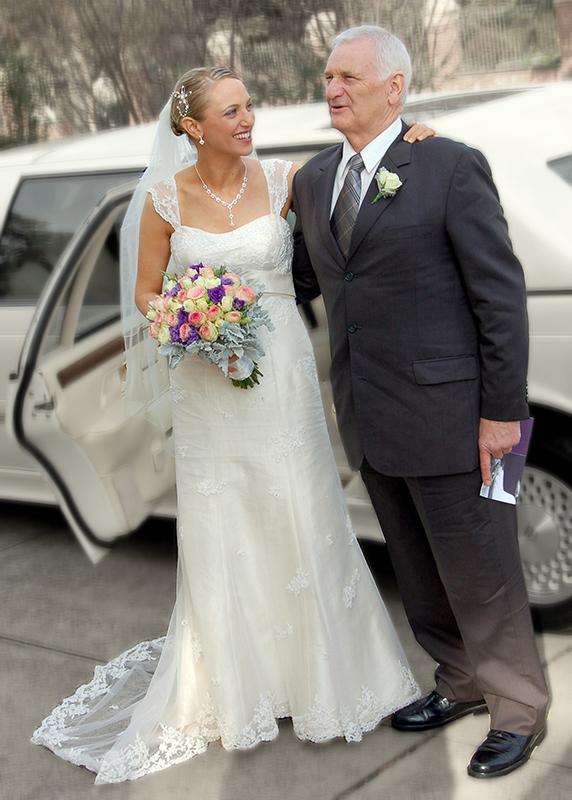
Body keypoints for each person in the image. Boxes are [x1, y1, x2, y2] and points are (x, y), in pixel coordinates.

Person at [29, 66, 435, 785]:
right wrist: (189, 325)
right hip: (206, 383)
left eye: (250, 105)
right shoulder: (161, 200)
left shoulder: (286, 181)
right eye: (231, 110)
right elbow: (147, 292)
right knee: (227, 520)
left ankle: (324, 678)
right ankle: (237, 685)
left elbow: (363, 180)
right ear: (192, 127)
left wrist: (416, 139)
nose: (249, 119)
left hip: (280, 374)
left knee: (300, 508)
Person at [291, 25, 549, 780]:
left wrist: (503, 413)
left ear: (396, 89)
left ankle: (519, 709)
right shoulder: (310, 181)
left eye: (349, 77)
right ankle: (460, 680)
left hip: (455, 419)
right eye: (328, 76)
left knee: (484, 574)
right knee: (416, 567)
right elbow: (304, 281)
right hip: (368, 418)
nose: (332, 89)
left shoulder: (447, 166)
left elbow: (498, 300)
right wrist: (210, 307)